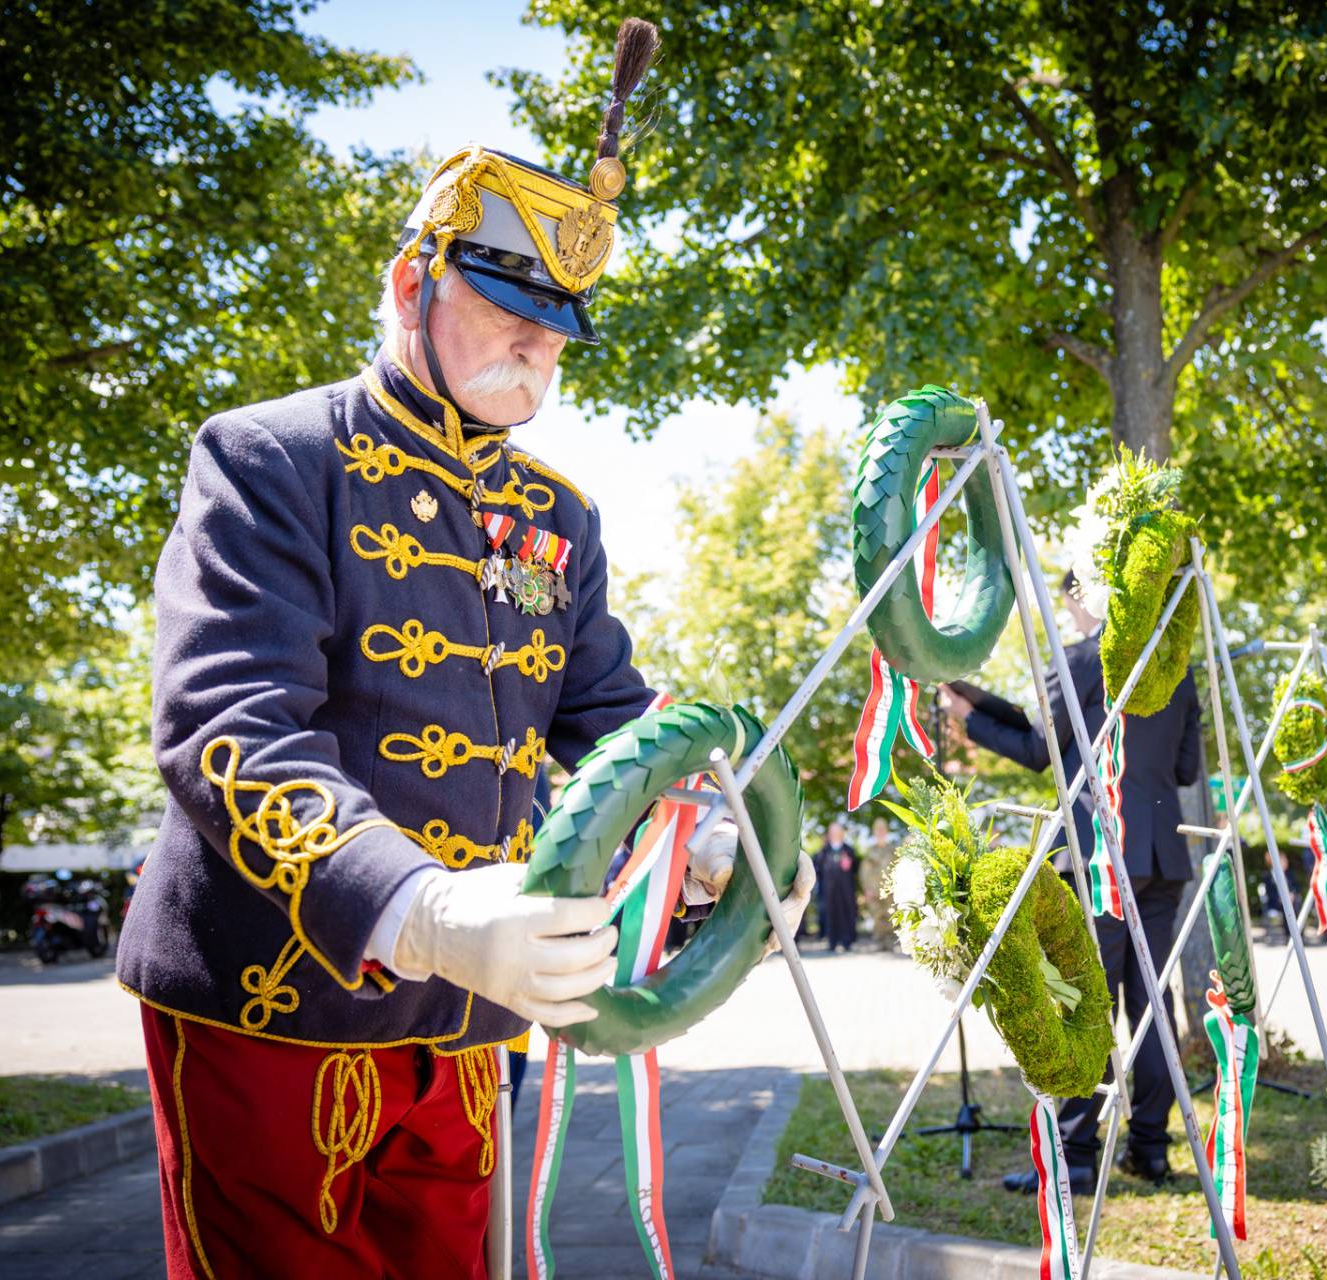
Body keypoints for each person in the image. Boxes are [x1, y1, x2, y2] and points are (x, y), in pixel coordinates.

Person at [113, 34, 815, 1274]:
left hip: (467, 1018)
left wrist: (717, 831)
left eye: (559, 328)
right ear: (410, 282)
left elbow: (607, 715)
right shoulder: (272, 457)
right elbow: (227, 724)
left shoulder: (560, 513)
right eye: (509, 309)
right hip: (275, 1003)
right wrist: (417, 906)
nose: (539, 348)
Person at [940, 569, 1201, 1190]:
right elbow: (1187, 769)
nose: (1069, 618)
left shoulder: (1080, 659)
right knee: (1153, 1007)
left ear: (1087, 597)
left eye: (1070, 605)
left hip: (1100, 856)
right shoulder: (1176, 670)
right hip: (1161, 857)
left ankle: (1077, 1155)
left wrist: (968, 721)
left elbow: (1040, 751)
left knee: (1086, 1002)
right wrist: (980, 705)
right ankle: (1151, 1148)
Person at [816, 820, 862, 952]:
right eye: (833, 831)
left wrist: (850, 863)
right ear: (829, 834)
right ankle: (832, 941)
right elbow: (818, 870)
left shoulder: (848, 850)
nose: (835, 834)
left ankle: (847, 941)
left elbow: (856, 868)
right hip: (829, 891)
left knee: (847, 913)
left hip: (846, 890)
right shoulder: (823, 851)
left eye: (837, 831)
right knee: (830, 915)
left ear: (842, 833)